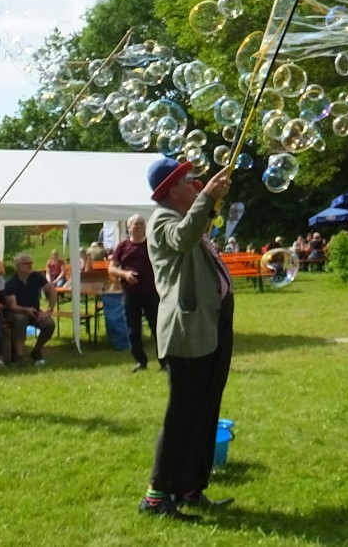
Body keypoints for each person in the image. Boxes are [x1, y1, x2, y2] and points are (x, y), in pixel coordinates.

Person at [139, 156, 235, 521]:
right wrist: (207, 198)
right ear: (171, 189)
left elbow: (197, 230)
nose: (195, 183)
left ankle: (190, 487)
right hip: (187, 332)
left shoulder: (183, 216)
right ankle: (155, 495)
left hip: (208, 327)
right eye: (189, 180)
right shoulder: (163, 219)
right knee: (182, 415)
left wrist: (211, 201)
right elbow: (182, 240)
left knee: (204, 410)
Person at [109, 214, 162, 372]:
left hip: (151, 292)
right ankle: (140, 361)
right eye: (134, 224)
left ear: (145, 227)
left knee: (157, 327)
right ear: (128, 227)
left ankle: (164, 361)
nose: (138, 227)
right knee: (133, 329)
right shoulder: (122, 247)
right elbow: (111, 268)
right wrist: (125, 275)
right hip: (130, 294)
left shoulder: (152, 244)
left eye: (140, 224)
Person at [2, 253, 56, 366]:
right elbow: (12, 306)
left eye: (31, 263)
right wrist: (26, 310)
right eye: (27, 263)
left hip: (34, 312)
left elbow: (50, 289)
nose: (30, 266)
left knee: (49, 324)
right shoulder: (11, 283)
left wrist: (49, 311)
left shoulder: (36, 277)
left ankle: (36, 351)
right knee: (21, 320)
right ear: (18, 266)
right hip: (16, 313)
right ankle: (19, 356)